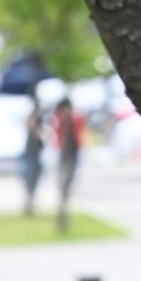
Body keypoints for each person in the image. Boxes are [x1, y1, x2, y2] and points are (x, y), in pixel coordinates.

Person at [54, 96, 83, 231]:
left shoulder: (74, 118)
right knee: (63, 177)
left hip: (73, 151)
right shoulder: (60, 118)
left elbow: (78, 131)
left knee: (70, 176)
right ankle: (64, 195)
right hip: (64, 152)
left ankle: (66, 195)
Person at [21, 100, 43, 215]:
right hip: (31, 154)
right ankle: (29, 203)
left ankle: (31, 202)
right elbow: (27, 125)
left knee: (34, 179)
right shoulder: (32, 120)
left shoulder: (39, 120)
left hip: (36, 153)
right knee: (29, 178)